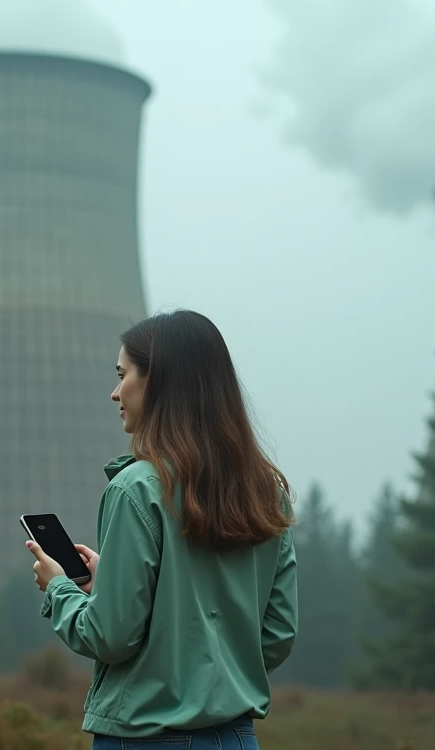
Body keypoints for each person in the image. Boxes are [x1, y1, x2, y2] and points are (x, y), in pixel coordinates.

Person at [25, 309, 298, 750]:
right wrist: (107, 589)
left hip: (149, 738)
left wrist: (60, 589)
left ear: (160, 382)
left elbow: (109, 636)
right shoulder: (266, 492)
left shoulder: (139, 489)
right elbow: (277, 635)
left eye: (123, 375)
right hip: (237, 739)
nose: (115, 393)